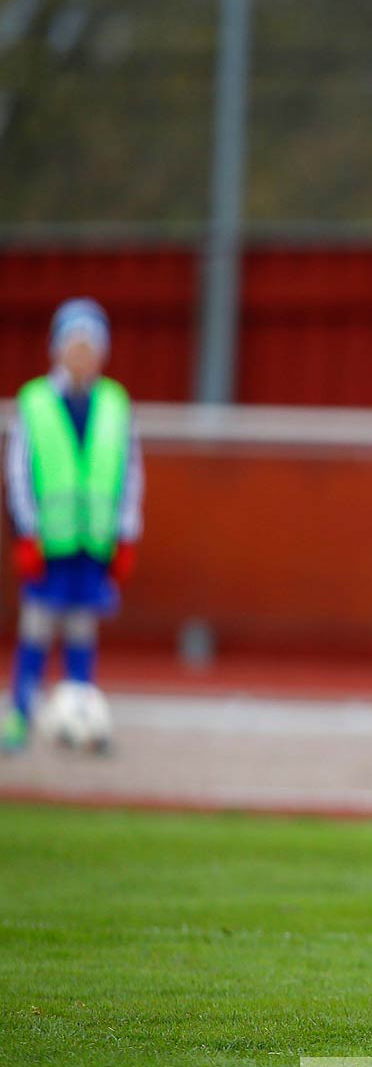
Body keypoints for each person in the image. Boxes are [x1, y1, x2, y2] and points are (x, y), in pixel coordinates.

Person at [4, 297, 143, 753]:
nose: (82, 355)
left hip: (93, 541)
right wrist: (25, 531)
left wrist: (126, 534)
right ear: (56, 349)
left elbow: (129, 472)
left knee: (83, 628)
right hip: (50, 540)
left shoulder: (114, 404)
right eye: (74, 344)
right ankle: (20, 715)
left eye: (91, 346)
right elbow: (19, 471)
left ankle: (80, 717)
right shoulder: (37, 402)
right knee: (38, 627)